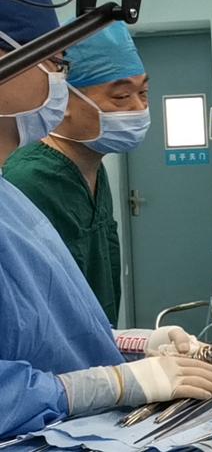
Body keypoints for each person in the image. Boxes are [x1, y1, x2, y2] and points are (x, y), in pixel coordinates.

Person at [0, 0, 212, 438]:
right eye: (54, 62)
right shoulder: (32, 181)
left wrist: (135, 346)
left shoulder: (11, 201)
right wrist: (112, 383)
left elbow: (50, 329)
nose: (59, 80)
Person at [4, 21, 149, 325]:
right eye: (121, 97)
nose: (138, 108)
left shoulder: (92, 168)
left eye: (144, 93)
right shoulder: (28, 181)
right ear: (64, 98)